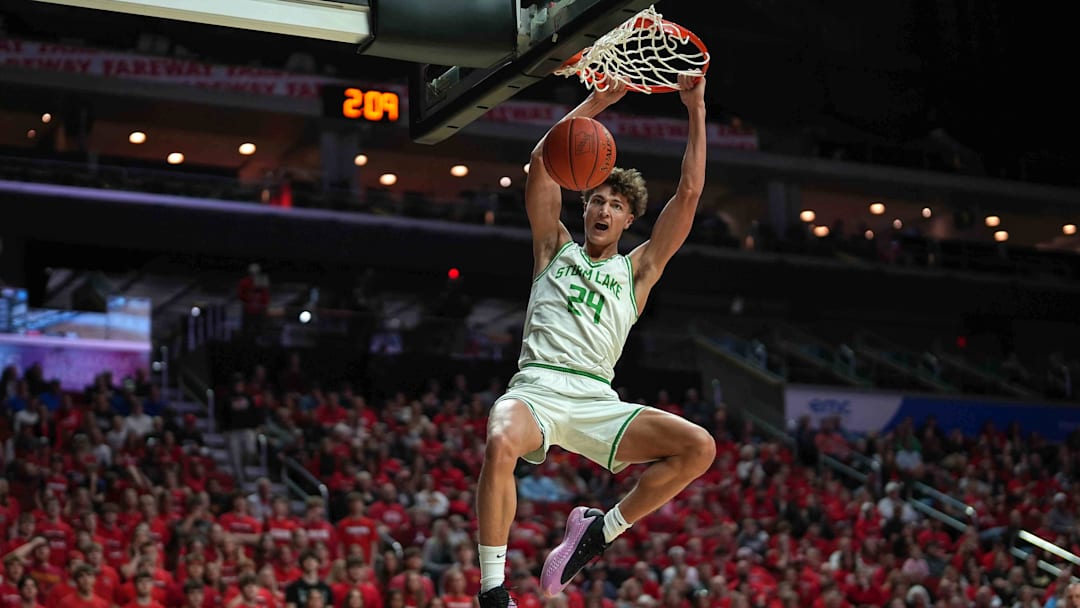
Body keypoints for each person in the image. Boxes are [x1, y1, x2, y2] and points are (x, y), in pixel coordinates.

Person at [474, 74, 714, 608]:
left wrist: (695, 106)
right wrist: (600, 101)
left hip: (596, 399)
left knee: (699, 447)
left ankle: (598, 534)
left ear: (629, 220)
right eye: (596, 200)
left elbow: (691, 192)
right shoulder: (553, 248)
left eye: (615, 206)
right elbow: (542, 161)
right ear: (583, 208)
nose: (603, 211)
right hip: (536, 388)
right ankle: (493, 591)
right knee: (499, 439)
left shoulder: (639, 270)